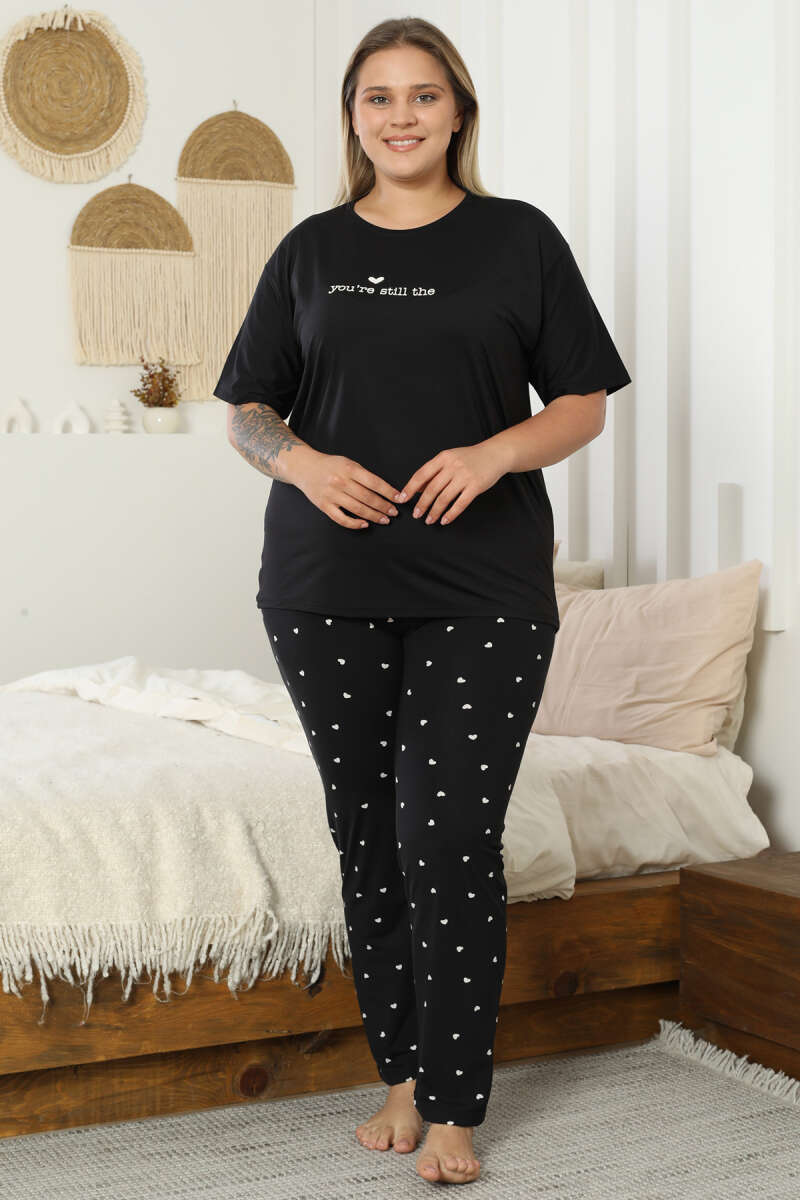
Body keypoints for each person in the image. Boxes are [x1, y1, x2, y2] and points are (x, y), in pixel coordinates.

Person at [214, 15, 631, 1187]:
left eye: (423, 95)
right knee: (365, 835)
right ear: (353, 119)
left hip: (482, 582)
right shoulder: (309, 249)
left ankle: (452, 1103)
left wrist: (494, 453)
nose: (400, 116)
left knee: (443, 837)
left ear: (457, 113)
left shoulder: (517, 239)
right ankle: (399, 1072)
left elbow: (582, 400)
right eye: (377, 97)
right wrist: (302, 465)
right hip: (323, 583)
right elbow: (246, 409)